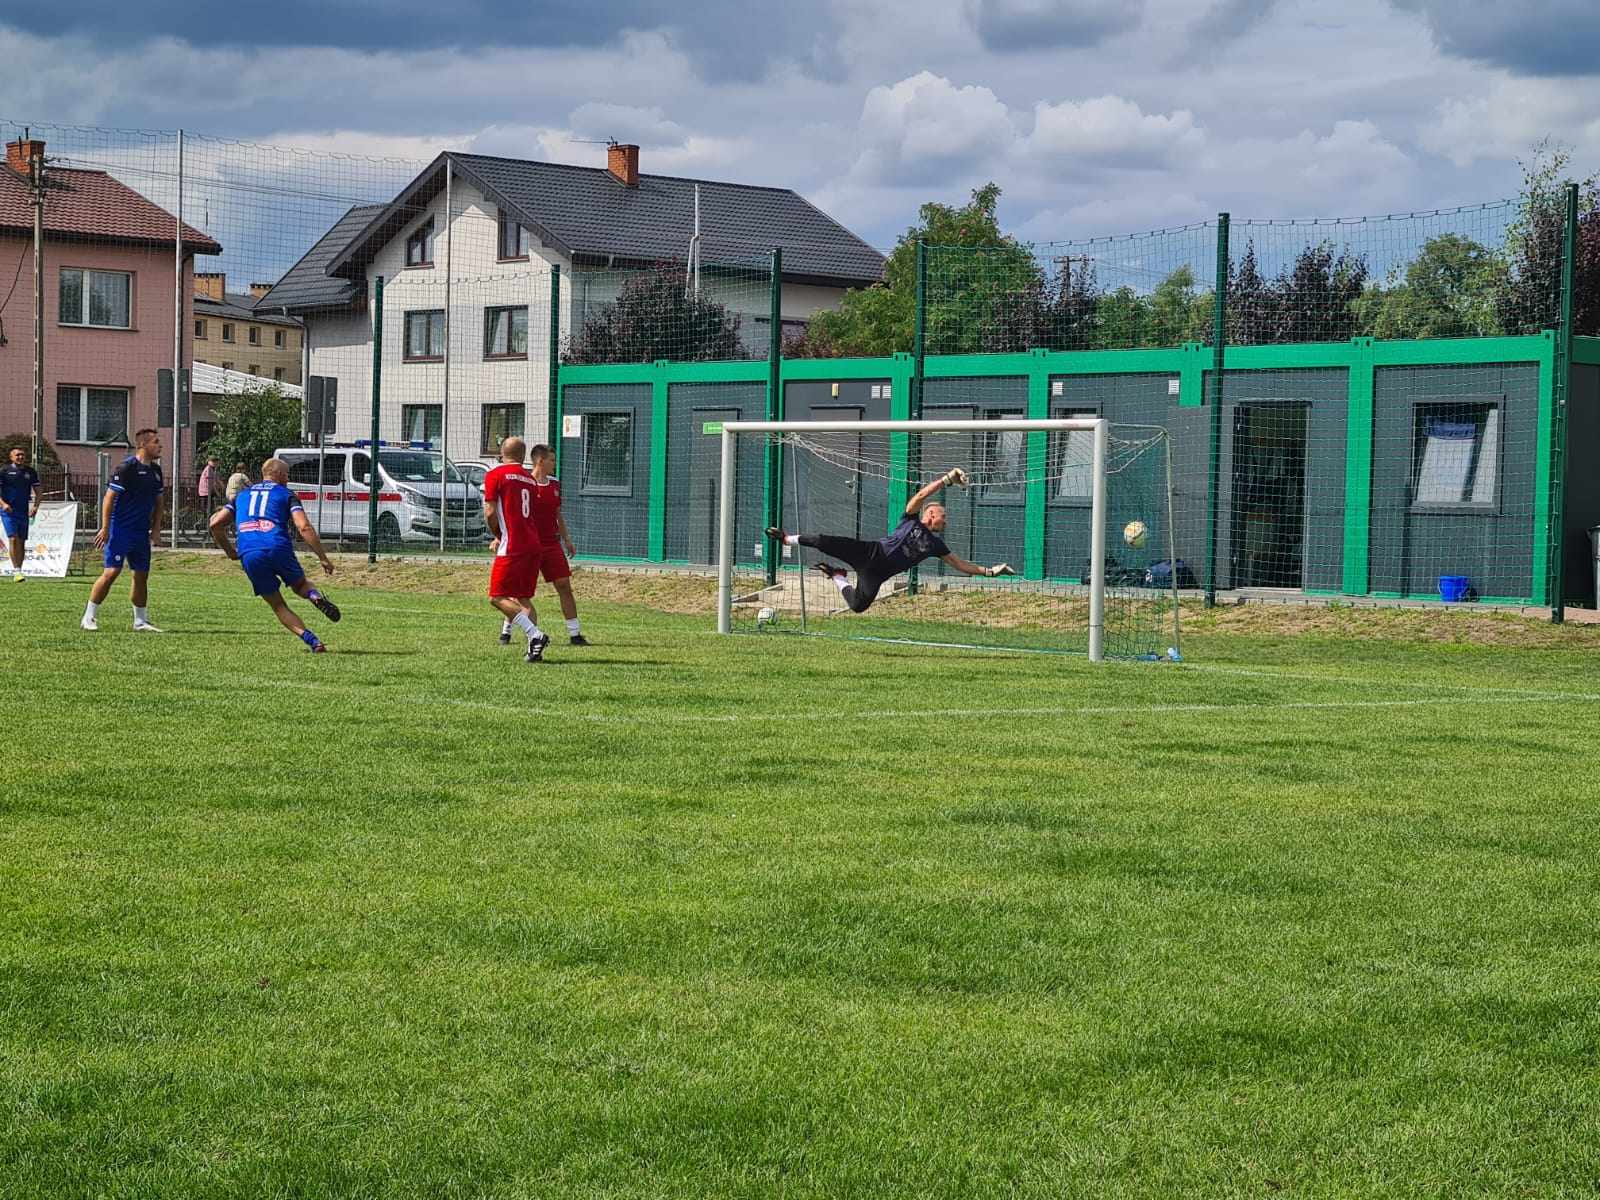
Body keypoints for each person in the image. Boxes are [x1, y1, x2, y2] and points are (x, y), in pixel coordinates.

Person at [766, 467, 1014, 614]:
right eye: (943, 516)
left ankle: (837, 576)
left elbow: (961, 565)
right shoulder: (910, 519)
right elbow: (921, 495)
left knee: (858, 606)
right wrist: (947, 479)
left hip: (878, 574)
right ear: (930, 514)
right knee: (823, 541)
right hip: (870, 553)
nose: (945, 521)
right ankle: (787, 539)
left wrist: (991, 572)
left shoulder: (937, 546)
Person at [208, 457, 341, 652]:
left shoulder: (242, 495)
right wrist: (322, 557)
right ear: (277, 474)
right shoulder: (286, 494)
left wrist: (231, 552)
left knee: (278, 605)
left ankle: (313, 641)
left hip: (249, 552)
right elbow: (303, 526)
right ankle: (313, 596)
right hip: (277, 546)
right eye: (286, 475)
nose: (287, 479)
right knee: (301, 585)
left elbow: (215, 524)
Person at [498, 443, 587, 646]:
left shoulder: (554, 484)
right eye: (552, 460)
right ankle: (506, 631)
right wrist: (500, 537)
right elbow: (511, 513)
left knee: (564, 585)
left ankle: (575, 634)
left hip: (550, 544)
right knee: (518, 591)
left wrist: (567, 539)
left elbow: (557, 514)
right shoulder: (524, 482)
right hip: (527, 544)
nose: (555, 464)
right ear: (540, 461)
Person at [83, 429, 166, 632]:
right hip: (120, 530)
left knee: (141, 576)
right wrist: (105, 528)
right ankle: (88, 617)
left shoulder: (156, 471)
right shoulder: (126, 468)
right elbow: (109, 498)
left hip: (141, 532)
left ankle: (140, 621)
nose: (160, 446)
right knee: (112, 572)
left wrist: (156, 529)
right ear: (143, 445)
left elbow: (159, 502)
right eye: (156, 442)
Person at [482, 436, 553, 663]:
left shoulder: (495, 474)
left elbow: (490, 512)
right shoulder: (530, 479)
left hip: (512, 545)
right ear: (523, 456)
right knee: (524, 598)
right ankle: (534, 649)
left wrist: (498, 535)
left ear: (502, 453)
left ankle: (535, 634)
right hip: (533, 544)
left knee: (496, 597)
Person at [1, 445, 41, 582]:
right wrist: (3, 504)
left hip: (23, 511)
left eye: (22, 455)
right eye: (17, 455)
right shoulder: (4, 471)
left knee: (21, 541)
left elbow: (39, 492)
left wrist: (35, 507)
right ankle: (16, 571)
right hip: (8, 511)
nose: (20, 457)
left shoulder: (30, 472)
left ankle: (20, 570)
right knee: (13, 538)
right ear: (11, 457)